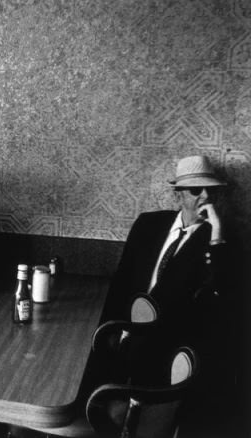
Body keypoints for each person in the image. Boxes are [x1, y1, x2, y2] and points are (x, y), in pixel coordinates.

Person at [99, 155, 237, 435]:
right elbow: (121, 283)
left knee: (140, 422)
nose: (206, 196)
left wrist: (217, 236)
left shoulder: (220, 241)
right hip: (125, 336)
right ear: (179, 196)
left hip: (169, 347)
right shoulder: (148, 225)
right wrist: (106, 334)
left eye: (212, 190)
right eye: (196, 190)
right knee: (99, 406)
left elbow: (226, 294)